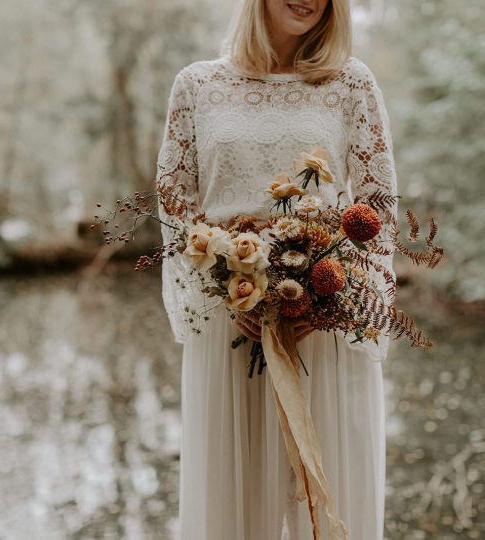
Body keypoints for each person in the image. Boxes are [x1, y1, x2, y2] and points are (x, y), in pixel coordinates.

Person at [155, 0, 399, 538]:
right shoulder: (196, 85)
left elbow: (378, 204)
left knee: (332, 500)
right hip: (230, 324)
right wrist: (224, 290)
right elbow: (175, 203)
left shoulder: (350, 83)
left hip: (326, 327)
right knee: (234, 504)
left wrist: (328, 295)